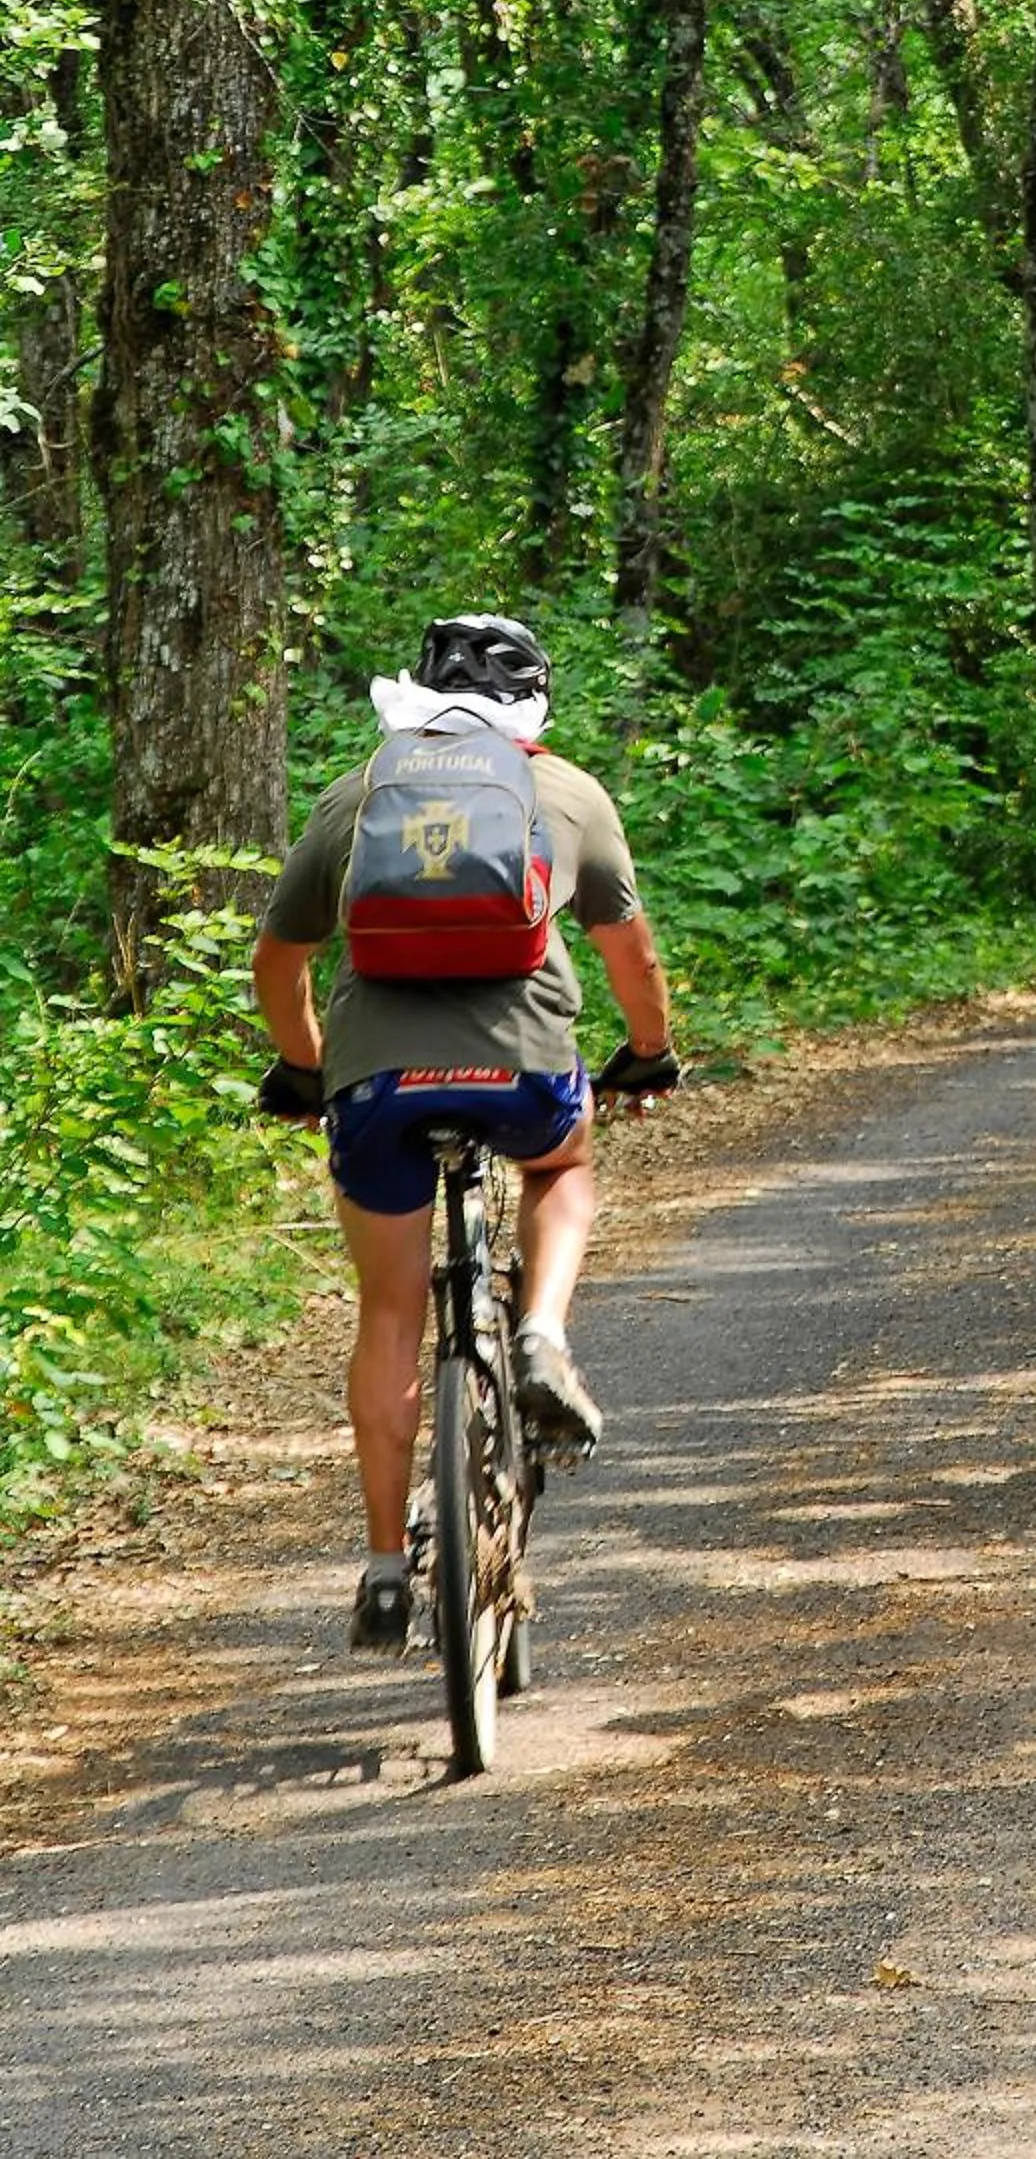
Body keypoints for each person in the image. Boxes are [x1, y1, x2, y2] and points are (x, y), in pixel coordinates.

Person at [251, 614, 680, 1654]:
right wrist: (648, 1052)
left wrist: (308, 1068)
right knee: (563, 1162)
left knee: (391, 1308)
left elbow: (279, 961)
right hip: (523, 1073)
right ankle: (538, 1333)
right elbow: (632, 960)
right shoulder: (566, 791)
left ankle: (387, 1572)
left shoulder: (359, 793)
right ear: (533, 702)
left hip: (375, 1087)